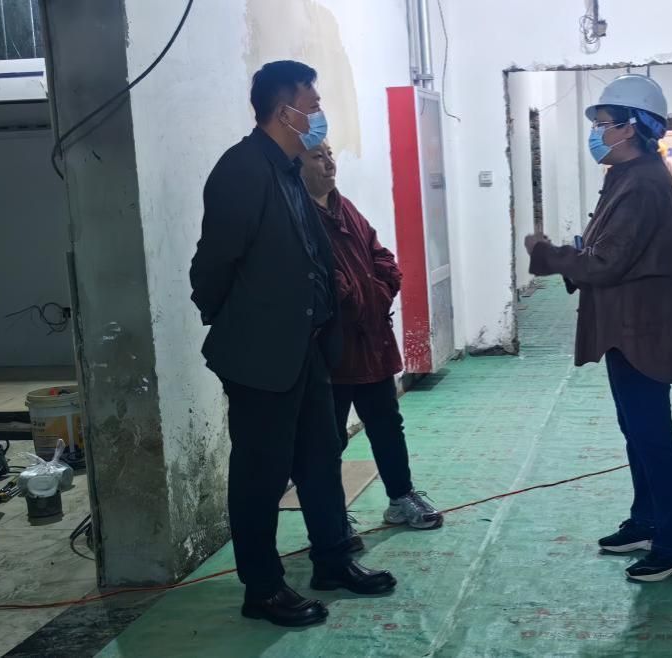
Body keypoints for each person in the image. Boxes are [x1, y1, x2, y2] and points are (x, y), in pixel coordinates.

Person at [189, 60, 396, 628]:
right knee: (260, 473)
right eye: (314, 104)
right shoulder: (242, 169)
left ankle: (332, 558)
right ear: (285, 112)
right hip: (261, 354)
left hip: (306, 349)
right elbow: (213, 265)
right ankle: (262, 588)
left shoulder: (286, 171)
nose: (320, 114)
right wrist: (237, 322)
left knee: (320, 458)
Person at [523, 74, 672, 583]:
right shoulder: (627, 176)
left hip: (642, 330)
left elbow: (606, 263)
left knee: (652, 436)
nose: (596, 133)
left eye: (604, 124)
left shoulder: (641, 183)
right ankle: (647, 521)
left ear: (632, 127)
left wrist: (546, 254)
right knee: (636, 432)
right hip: (629, 327)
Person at [299, 141, 443, 547]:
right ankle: (332, 519)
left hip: (371, 343)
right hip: (330, 350)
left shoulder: (344, 208)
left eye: (330, 154)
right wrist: (359, 302)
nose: (329, 163)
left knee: (386, 423)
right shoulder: (298, 217)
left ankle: (401, 497)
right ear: (297, 163)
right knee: (327, 439)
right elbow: (323, 284)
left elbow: (382, 258)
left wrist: (377, 292)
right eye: (318, 156)